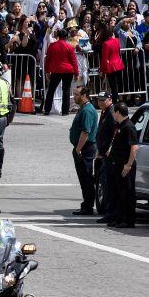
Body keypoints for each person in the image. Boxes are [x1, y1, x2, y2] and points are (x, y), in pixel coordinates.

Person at [107, 102, 138, 228]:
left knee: (127, 193)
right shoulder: (119, 126)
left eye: (114, 112)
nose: (113, 114)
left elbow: (134, 147)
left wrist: (128, 165)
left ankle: (128, 220)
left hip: (125, 166)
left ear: (118, 113)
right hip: (117, 164)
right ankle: (118, 218)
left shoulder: (128, 127)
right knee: (118, 193)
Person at [70, 86, 99, 216]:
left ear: (84, 95)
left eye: (76, 94)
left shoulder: (87, 111)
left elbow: (85, 132)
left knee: (86, 178)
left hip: (85, 148)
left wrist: (78, 149)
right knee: (84, 178)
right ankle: (86, 204)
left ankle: (88, 206)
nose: (74, 97)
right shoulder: (84, 108)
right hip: (83, 147)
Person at [94, 91, 119, 224]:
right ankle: (109, 212)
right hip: (104, 153)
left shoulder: (111, 112)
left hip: (110, 155)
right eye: (99, 99)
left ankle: (111, 213)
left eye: (103, 100)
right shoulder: (105, 111)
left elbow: (114, 133)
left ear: (109, 99)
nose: (100, 102)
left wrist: (109, 149)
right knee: (105, 183)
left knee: (109, 185)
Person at [44, 28, 79, 116]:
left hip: (56, 70)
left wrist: (47, 71)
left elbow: (48, 59)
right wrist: (76, 73)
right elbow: (74, 61)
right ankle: (65, 111)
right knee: (66, 90)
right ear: (66, 36)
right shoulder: (70, 47)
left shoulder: (52, 46)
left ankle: (47, 109)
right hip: (68, 70)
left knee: (51, 90)